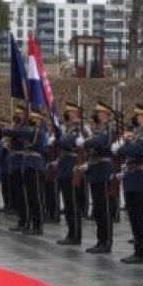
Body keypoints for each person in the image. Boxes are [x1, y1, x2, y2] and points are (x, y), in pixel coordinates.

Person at [114, 103, 143, 264]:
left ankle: (142, 251)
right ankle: (137, 248)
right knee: (133, 215)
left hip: (140, 177)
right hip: (131, 176)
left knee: (140, 215)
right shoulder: (136, 134)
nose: (136, 118)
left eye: (138, 116)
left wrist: (123, 147)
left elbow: (135, 150)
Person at [80, 101, 115, 254]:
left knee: (104, 208)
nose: (98, 115)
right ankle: (100, 240)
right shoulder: (98, 129)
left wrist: (86, 141)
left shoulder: (109, 128)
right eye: (97, 113)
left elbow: (100, 142)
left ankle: (106, 241)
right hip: (95, 169)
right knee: (98, 208)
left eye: (100, 113)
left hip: (104, 170)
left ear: (106, 115)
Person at [56, 102, 84, 245]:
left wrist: (59, 140)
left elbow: (68, 142)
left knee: (73, 203)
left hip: (72, 168)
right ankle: (70, 232)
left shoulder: (79, 128)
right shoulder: (68, 128)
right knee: (67, 203)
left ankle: (76, 235)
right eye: (69, 112)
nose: (70, 114)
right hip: (63, 167)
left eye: (73, 112)